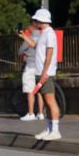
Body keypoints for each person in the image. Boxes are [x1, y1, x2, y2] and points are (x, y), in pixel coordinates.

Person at [30, 9, 62, 140]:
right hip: (41, 72)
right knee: (47, 102)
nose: (35, 22)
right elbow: (35, 47)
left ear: (42, 20)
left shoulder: (50, 34)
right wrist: (22, 36)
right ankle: (49, 128)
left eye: (37, 20)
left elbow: (50, 55)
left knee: (50, 101)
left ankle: (55, 130)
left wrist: (44, 73)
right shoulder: (44, 33)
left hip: (45, 74)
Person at [17, 26, 45, 121]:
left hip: (30, 66)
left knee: (30, 90)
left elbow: (20, 51)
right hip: (41, 67)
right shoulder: (43, 38)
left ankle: (31, 113)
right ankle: (40, 113)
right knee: (40, 91)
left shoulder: (29, 39)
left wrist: (25, 51)